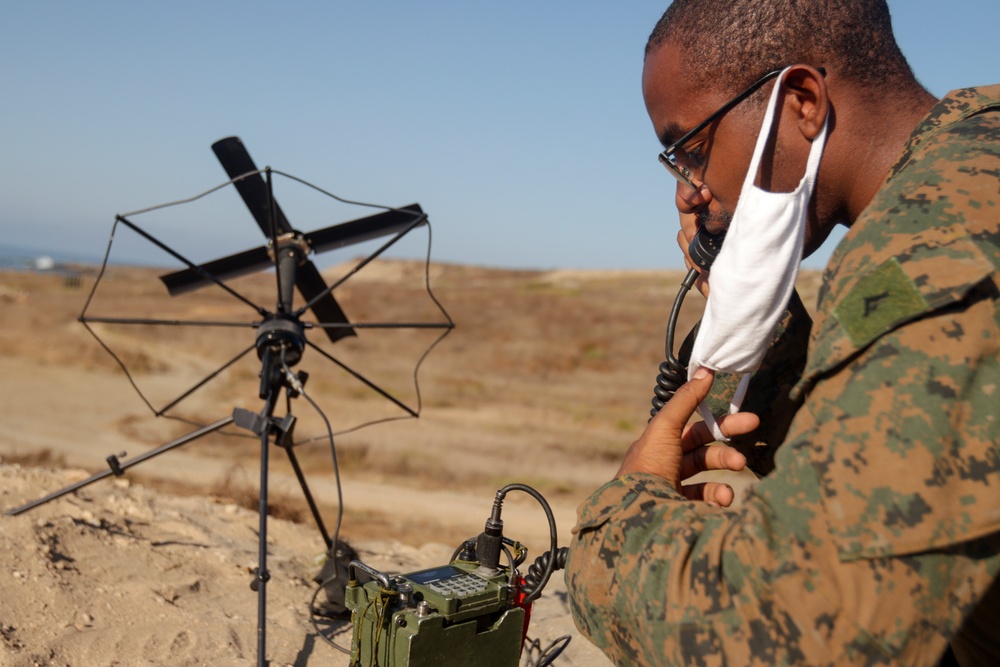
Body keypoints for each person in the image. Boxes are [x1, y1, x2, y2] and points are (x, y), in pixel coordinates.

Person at [564, 1, 1000, 665]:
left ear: (801, 101)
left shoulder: (935, 248)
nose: (689, 192)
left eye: (693, 151)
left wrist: (619, 524)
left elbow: (797, 632)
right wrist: (759, 327)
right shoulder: (966, 177)